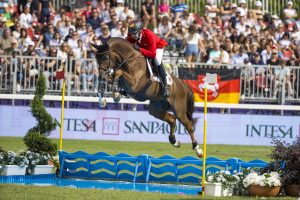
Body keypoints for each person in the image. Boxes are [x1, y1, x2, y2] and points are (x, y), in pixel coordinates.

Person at [126, 20, 169, 97]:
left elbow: (152, 54)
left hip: (157, 47)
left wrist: (139, 49)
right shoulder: (131, 33)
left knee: (157, 60)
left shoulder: (149, 35)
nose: (132, 36)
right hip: (143, 47)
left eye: (134, 34)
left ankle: (165, 86)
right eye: (131, 34)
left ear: (140, 31)